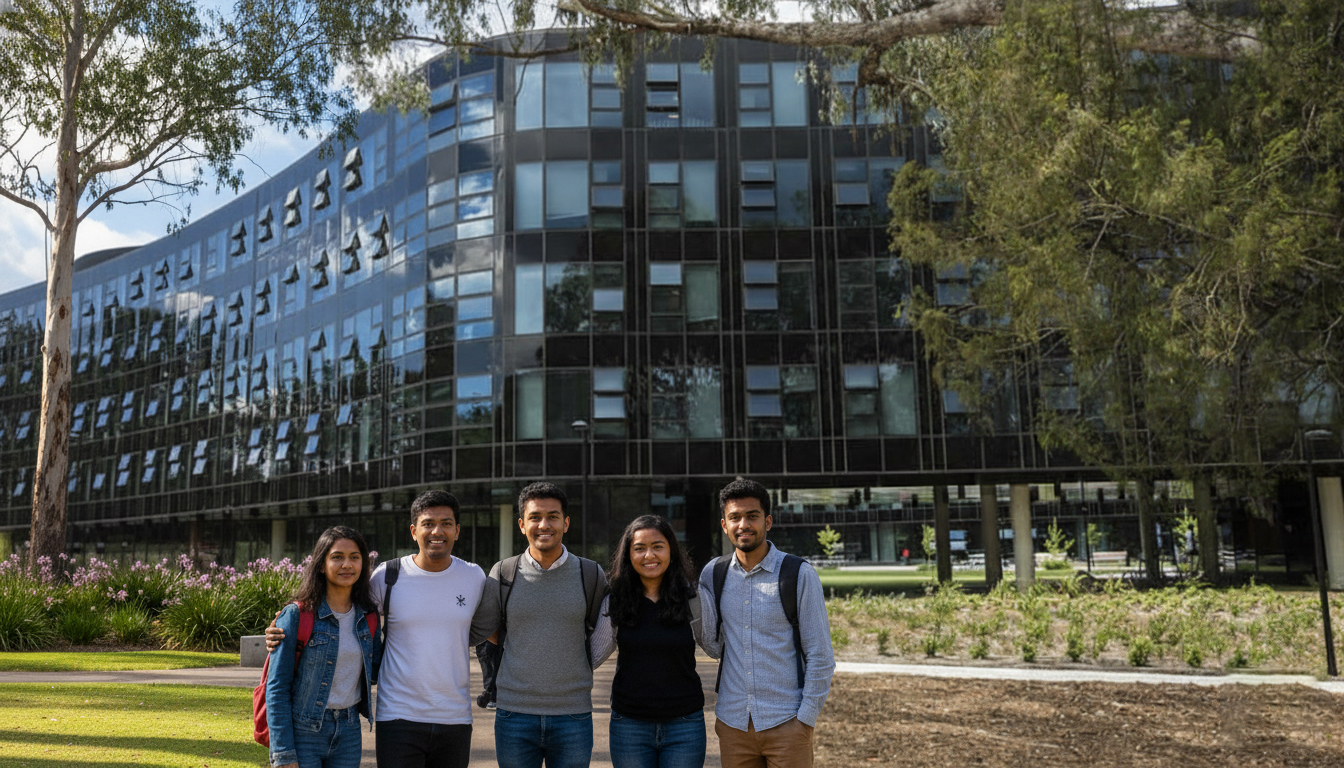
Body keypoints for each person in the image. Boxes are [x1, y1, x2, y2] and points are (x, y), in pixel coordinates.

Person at [266, 490, 488, 768]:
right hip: (397, 716)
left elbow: (491, 625)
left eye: (445, 523)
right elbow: (344, 605)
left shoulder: (474, 576)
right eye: (428, 523)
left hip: (455, 716)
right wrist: (284, 622)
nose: (437, 531)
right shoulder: (387, 576)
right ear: (413, 531)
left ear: (457, 530)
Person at [470, 481, 608, 768]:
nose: (544, 524)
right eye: (535, 517)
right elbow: (484, 630)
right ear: (522, 524)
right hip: (514, 714)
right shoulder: (503, 572)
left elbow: (600, 631)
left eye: (553, 516)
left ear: (566, 523)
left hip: (573, 714)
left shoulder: (591, 573)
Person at [700, 477, 835, 768]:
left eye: (752, 516)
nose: (743, 525)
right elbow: (713, 646)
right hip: (733, 724)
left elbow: (821, 655)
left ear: (768, 521)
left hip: (787, 723)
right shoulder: (713, 573)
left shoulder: (798, 573)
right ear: (724, 525)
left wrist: (805, 720)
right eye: (734, 517)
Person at [590, 514, 713, 768]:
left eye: (658, 546)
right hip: (630, 726)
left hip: (685, 726)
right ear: (628, 555)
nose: (649, 556)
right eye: (639, 548)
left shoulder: (694, 598)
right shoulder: (615, 601)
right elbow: (591, 655)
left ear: (671, 551)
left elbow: (715, 646)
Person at [265, 525, 381, 768]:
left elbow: (377, 669)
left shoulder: (368, 617)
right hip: (303, 731)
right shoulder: (297, 615)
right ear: (321, 564)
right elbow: (277, 688)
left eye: (354, 558)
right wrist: (284, 753)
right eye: (337, 557)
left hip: (349, 731)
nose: (347, 565)